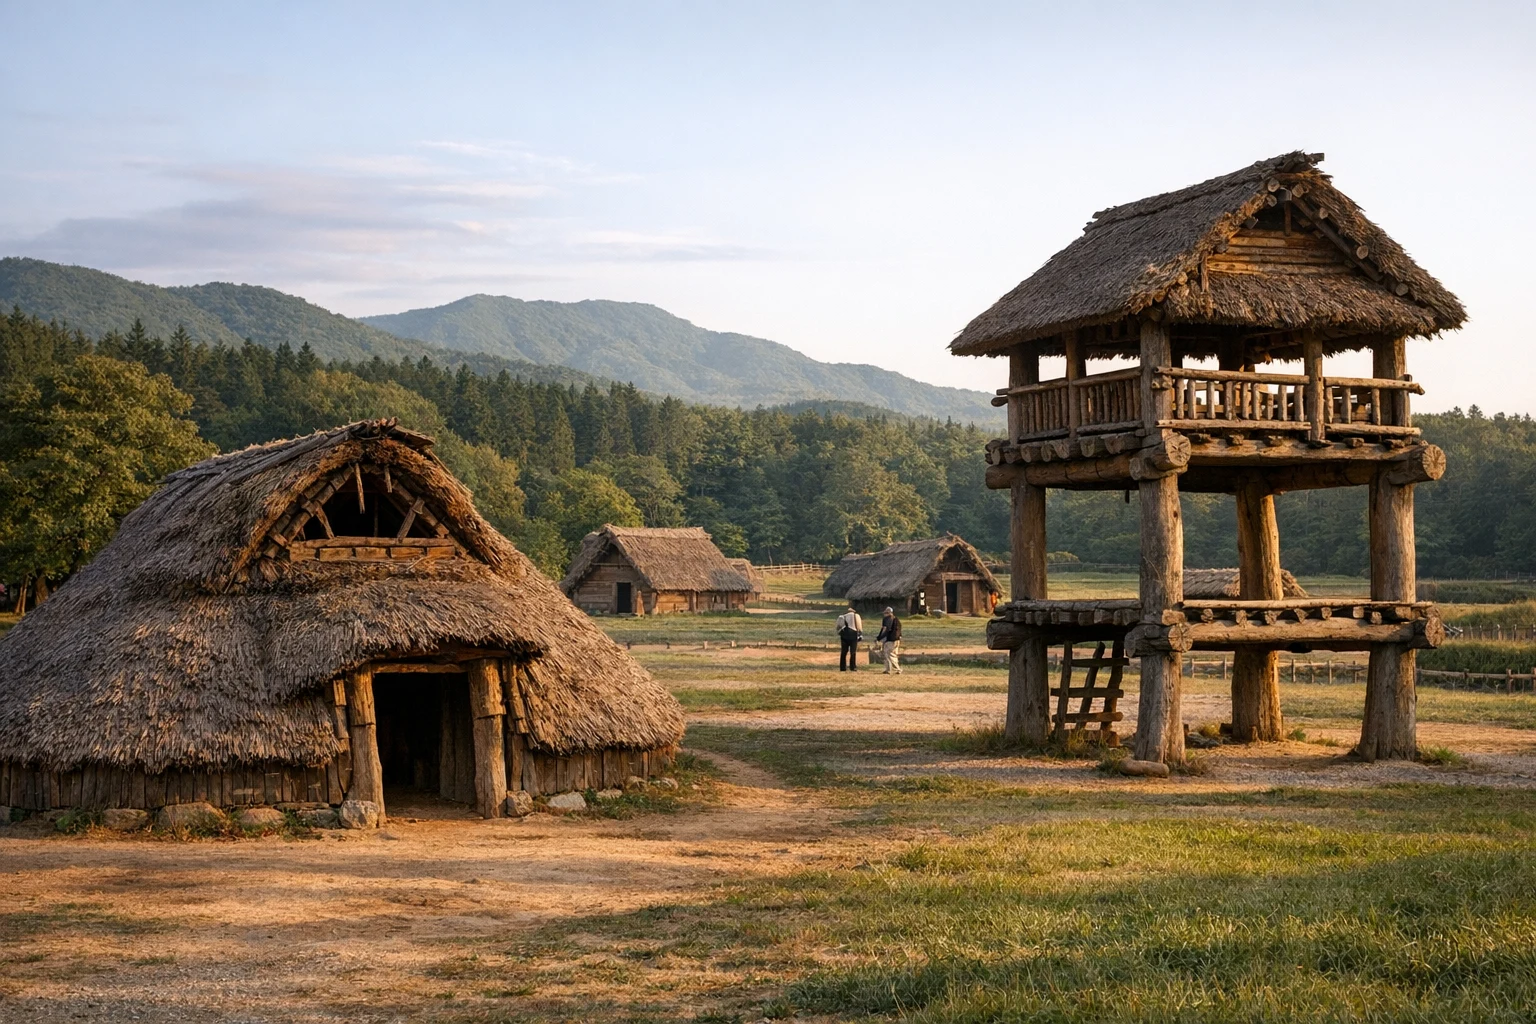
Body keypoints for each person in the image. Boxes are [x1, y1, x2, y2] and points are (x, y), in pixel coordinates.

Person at [835, 603, 863, 671]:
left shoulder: (842, 617)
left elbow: (838, 626)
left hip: (844, 635)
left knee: (844, 652)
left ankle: (842, 667)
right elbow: (859, 626)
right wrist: (860, 633)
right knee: (853, 652)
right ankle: (852, 667)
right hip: (853, 634)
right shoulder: (856, 616)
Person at [876, 606, 902, 675]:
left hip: (890, 640)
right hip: (897, 640)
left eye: (885, 613)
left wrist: (879, 637)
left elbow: (885, 630)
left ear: (888, 613)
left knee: (889, 654)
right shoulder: (896, 619)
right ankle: (888, 669)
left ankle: (896, 669)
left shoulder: (887, 619)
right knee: (892, 654)